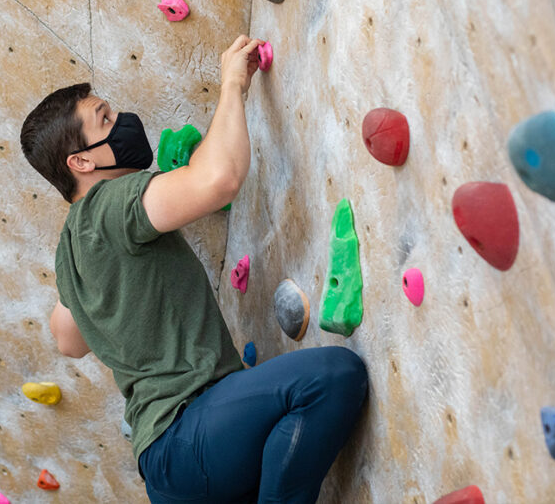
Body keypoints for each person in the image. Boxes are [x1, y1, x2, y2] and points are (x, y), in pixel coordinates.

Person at [20, 35, 369, 503]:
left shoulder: (70, 250)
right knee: (331, 376)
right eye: (105, 117)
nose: (121, 120)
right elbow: (217, 180)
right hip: (190, 434)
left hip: (168, 469)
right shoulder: (109, 204)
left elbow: (68, 340)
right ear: (81, 161)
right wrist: (231, 85)